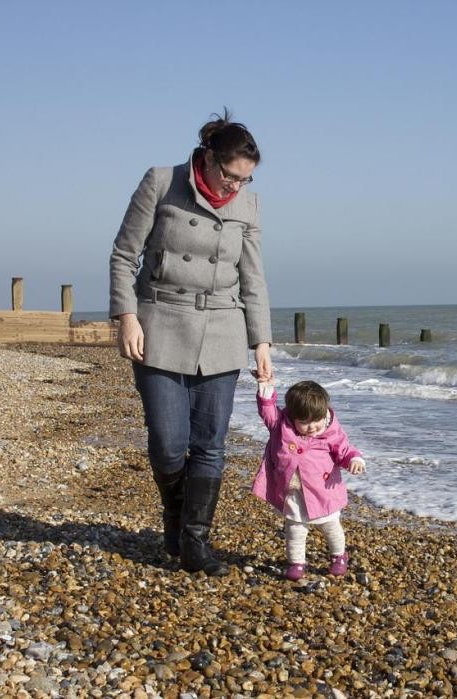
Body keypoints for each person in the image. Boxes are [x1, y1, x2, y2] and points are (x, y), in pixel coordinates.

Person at [109, 109, 273, 577]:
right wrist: (127, 316)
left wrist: (260, 341)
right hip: (159, 322)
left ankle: (195, 540)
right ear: (208, 158)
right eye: (231, 176)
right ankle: (175, 516)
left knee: (210, 444)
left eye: (247, 179)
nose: (236, 187)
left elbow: (253, 279)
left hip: (223, 329)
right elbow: (123, 255)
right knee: (167, 442)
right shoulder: (162, 183)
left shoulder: (248, 206)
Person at [251, 379, 366, 581]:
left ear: (325, 415)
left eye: (317, 420)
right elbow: (267, 411)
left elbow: (344, 449)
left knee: (331, 527)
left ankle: (339, 556)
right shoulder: (281, 426)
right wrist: (266, 389)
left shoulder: (330, 432)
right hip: (293, 493)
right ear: (292, 417)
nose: (312, 426)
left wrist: (354, 460)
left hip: (323, 492)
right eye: (304, 422)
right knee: (295, 529)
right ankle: (297, 562)